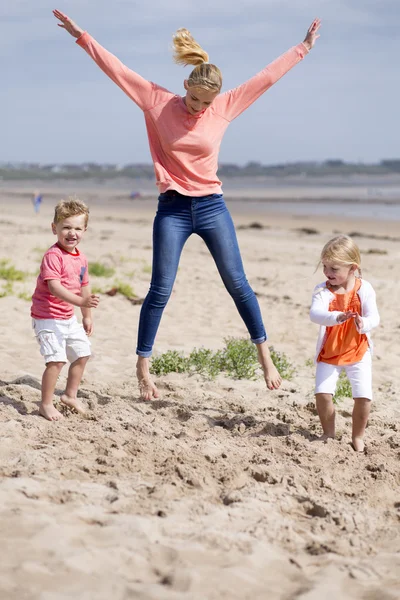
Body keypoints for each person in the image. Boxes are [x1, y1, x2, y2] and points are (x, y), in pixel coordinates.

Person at [53, 9, 321, 400]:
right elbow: (117, 70)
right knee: (160, 289)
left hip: (212, 206)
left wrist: (303, 48)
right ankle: (143, 365)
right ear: (185, 86)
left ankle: (265, 356)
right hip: (173, 209)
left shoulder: (224, 106)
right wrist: (82, 36)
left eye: (205, 104)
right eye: (194, 100)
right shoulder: (157, 101)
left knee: (238, 284)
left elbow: (265, 79)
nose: (198, 109)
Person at [31, 198, 100, 421]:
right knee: (56, 361)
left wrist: (86, 315)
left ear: (85, 230)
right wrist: (80, 302)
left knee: (82, 354)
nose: (72, 233)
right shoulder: (53, 256)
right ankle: (46, 403)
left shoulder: (81, 258)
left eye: (78, 228)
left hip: (68, 317)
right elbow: (54, 287)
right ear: (55, 228)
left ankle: (70, 395)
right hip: (47, 317)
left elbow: (84, 286)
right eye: (66, 227)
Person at [309, 235, 380, 452]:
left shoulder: (364, 288)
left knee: (363, 396)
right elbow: (315, 314)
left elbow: (374, 317)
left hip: (357, 350)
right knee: (322, 393)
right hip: (330, 351)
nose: (328, 273)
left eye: (334, 268)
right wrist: (337, 317)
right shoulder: (322, 291)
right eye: (325, 266)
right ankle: (328, 432)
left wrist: (363, 322)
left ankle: (358, 436)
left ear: (352, 268)